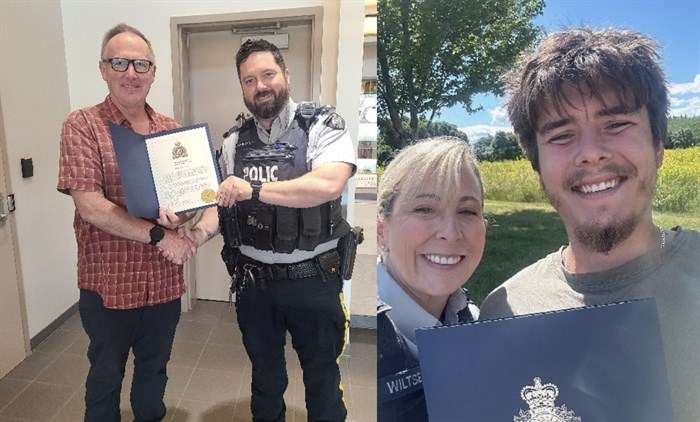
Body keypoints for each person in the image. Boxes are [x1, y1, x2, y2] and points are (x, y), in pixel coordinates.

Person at [479, 27, 700, 421]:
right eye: (562, 135)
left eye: (616, 124)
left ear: (659, 147)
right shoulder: (502, 313)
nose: (591, 154)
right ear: (538, 170)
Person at [185, 39, 356, 421]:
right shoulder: (232, 143)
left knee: (322, 378)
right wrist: (195, 235)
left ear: (285, 75)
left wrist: (256, 189)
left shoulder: (321, 126)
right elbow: (222, 205)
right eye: (249, 80)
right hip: (255, 284)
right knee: (265, 378)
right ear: (242, 88)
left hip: (313, 279)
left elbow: (329, 183)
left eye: (267, 74)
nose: (260, 86)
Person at [57, 23, 197, 422]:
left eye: (141, 64)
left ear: (153, 72)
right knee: (105, 380)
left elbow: (187, 201)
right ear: (103, 68)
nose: (131, 73)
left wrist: (183, 215)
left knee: (153, 375)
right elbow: (91, 207)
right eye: (120, 62)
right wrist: (158, 235)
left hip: (163, 284)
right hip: (109, 285)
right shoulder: (82, 125)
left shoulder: (170, 131)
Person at [377, 137, 486, 421]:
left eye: (467, 211)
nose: (450, 233)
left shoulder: (480, 324)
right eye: (425, 209)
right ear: (381, 231)